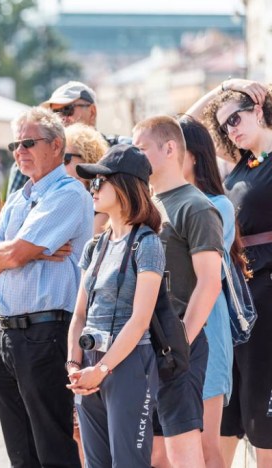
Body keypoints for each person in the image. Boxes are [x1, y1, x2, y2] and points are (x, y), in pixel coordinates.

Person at [0, 107, 92, 468]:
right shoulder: (21, 196)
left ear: (57, 146)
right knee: (20, 453)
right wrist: (11, 253)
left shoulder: (68, 193)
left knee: (53, 448)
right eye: (15, 144)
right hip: (7, 334)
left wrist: (14, 253)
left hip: (46, 331)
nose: (19, 150)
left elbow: (12, 253)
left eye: (28, 142)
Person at [132, 116, 224, 468]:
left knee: (183, 455)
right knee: (156, 456)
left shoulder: (196, 205)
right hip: (145, 344)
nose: (136, 158)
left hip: (178, 346)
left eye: (141, 149)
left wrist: (178, 343)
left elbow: (209, 282)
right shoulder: (147, 205)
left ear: (169, 148)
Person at [189, 78, 272, 466]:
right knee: (227, 418)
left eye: (236, 118)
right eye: (224, 125)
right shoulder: (238, 166)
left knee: (262, 421)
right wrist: (224, 86)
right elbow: (183, 128)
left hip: (268, 300)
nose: (231, 129)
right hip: (236, 301)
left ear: (259, 109)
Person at [66, 145, 164, 466]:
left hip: (129, 363)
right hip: (90, 365)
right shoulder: (96, 245)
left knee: (129, 462)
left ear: (124, 185)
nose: (92, 189)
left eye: (99, 182)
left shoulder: (147, 243)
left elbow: (140, 320)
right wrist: (74, 365)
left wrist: (102, 369)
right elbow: (79, 313)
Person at [178, 114, 241, 468]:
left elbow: (205, 274)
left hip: (207, 333)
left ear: (194, 155)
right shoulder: (160, 204)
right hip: (168, 332)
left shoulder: (218, 206)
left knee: (206, 447)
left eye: (173, 149)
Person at [65, 123, 111, 236]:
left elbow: (89, 249)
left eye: (65, 159)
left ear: (86, 157)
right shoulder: (61, 195)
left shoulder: (101, 203)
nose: (59, 165)